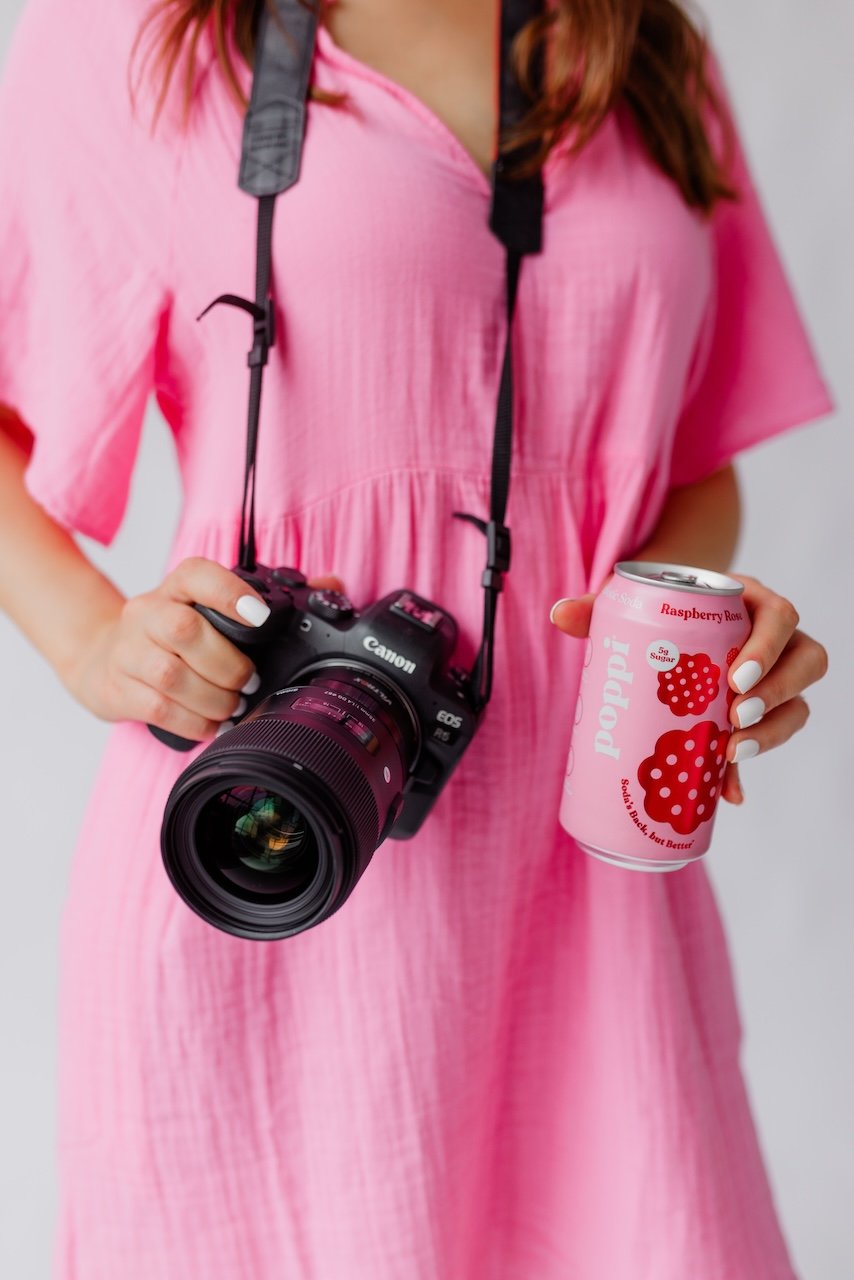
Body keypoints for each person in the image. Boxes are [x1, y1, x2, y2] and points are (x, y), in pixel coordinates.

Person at [0, 0, 833, 1274]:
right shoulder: (144, 27)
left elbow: (693, 450)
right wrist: (89, 640)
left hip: (587, 864)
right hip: (274, 849)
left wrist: (698, 614)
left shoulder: (646, 48)